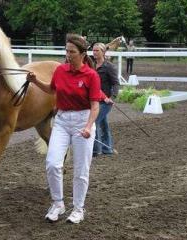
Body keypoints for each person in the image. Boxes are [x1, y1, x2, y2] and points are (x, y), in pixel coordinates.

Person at [27, 33, 107, 224]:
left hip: (83, 121)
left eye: (71, 52)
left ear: (82, 54)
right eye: (66, 51)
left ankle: (79, 209)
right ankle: (58, 203)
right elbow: (51, 89)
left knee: (81, 169)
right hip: (62, 121)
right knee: (53, 163)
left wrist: (88, 126)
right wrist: (35, 80)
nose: (68, 55)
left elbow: (95, 106)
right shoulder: (61, 71)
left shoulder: (91, 75)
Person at [92, 43, 119, 157]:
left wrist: (112, 97)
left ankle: (95, 150)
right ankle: (107, 149)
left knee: (94, 122)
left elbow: (116, 83)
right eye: (93, 50)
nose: (94, 52)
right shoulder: (92, 66)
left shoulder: (109, 66)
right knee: (103, 124)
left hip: (106, 101)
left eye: (97, 50)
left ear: (103, 52)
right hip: (94, 99)